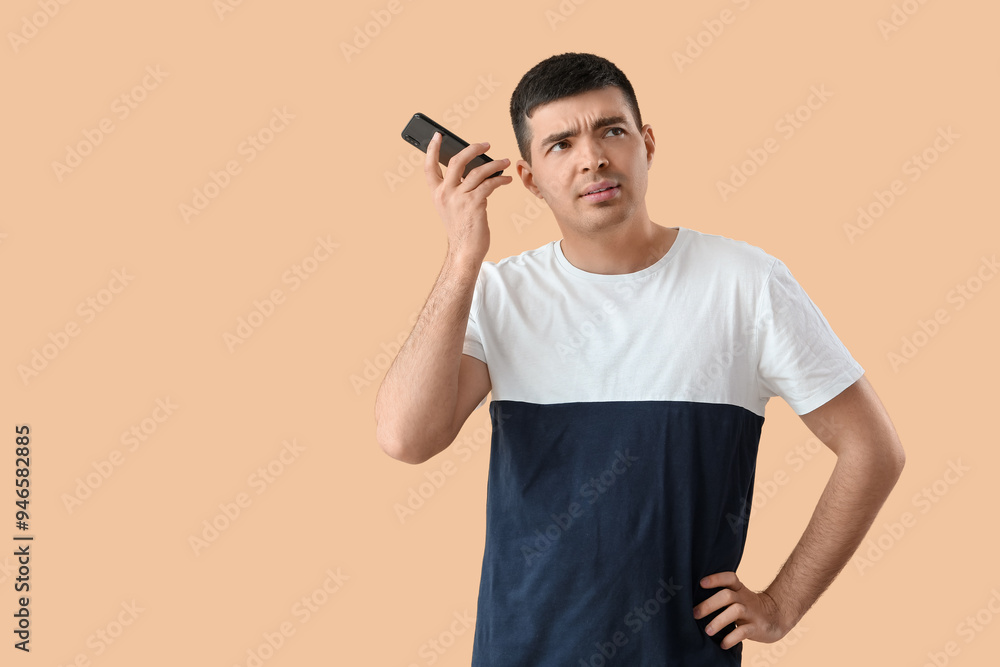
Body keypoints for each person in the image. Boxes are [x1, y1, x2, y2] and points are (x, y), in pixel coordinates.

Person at [374, 52, 905, 666]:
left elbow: (874, 448)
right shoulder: (496, 294)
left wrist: (783, 604)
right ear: (527, 177)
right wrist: (463, 255)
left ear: (647, 143)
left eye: (612, 131)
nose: (592, 157)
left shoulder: (747, 284)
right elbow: (404, 436)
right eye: (561, 144)